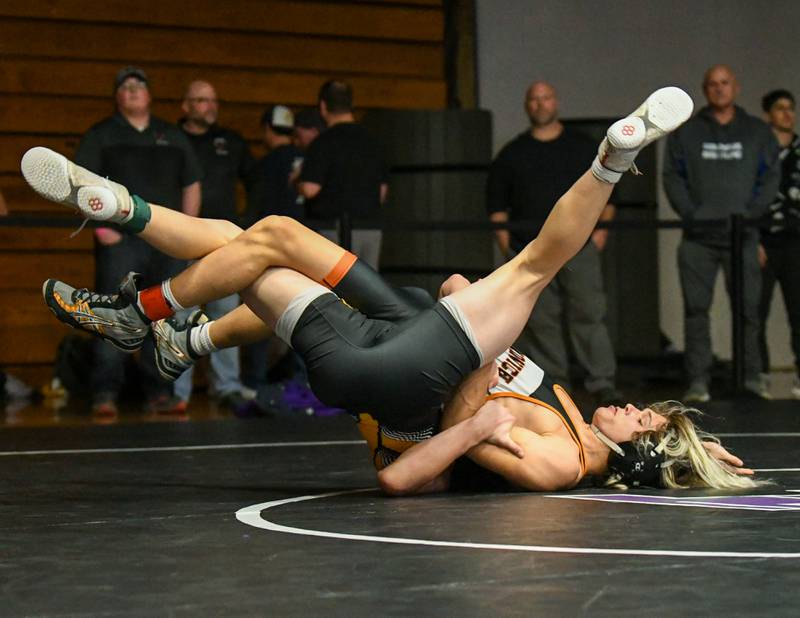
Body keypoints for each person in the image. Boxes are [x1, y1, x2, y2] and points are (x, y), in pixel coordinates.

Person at [24, 86, 754, 492]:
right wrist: (695, 449)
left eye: (645, 421)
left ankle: (611, 159)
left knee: (534, 265)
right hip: (405, 337)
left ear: (640, 456)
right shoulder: (569, 415)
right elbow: (492, 378)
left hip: (400, 373)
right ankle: (145, 264)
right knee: (264, 241)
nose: (632, 406)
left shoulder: (568, 461)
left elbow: (408, 480)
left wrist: (475, 390)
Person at [74, 66, 203, 416]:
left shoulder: (172, 135)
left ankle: (158, 392)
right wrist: (103, 230)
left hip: (167, 241)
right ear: (117, 97)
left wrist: (187, 231)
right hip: (120, 240)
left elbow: (191, 183)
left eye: (138, 86)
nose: (132, 91)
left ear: (149, 96)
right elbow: (80, 184)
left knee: (162, 316)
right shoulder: (101, 135)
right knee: (113, 314)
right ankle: (104, 393)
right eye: (125, 87)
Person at [487, 81, 620, 405]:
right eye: (534, 99)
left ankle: (601, 381)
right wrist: (510, 249)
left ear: (555, 102)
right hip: (530, 248)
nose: (540, 104)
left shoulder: (581, 146)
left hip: (579, 245)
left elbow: (609, 191)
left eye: (545, 98)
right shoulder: (512, 154)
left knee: (588, 312)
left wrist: (599, 234)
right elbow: (496, 208)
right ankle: (556, 385)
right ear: (526, 105)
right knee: (541, 319)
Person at [663, 65, 780, 403]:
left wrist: (751, 216)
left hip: (742, 236)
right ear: (705, 90)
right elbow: (672, 177)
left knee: (749, 311)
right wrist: (693, 215)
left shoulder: (757, 132)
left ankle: (751, 379)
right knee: (696, 311)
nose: (719, 89)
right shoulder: (686, 133)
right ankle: (698, 382)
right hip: (698, 239)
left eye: (724, 83)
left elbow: (771, 177)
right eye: (712, 84)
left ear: (736, 88)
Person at [175, 80, 254, 411]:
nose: (209, 106)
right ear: (186, 106)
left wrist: (247, 227)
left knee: (225, 317)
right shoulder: (171, 139)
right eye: (201, 100)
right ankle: (176, 392)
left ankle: (227, 386)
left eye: (212, 100)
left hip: (224, 243)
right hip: (183, 240)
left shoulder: (231, 142)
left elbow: (256, 181)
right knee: (180, 316)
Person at [298, 80, 388, 269]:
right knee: (368, 290)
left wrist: (296, 179)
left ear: (323, 106)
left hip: (332, 231)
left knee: (333, 289)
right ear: (351, 105)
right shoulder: (373, 140)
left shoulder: (322, 143)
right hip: (369, 228)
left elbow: (310, 189)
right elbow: (381, 192)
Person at [758, 89, 800, 399]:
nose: (787, 114)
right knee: (755, 311)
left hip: (795, 241)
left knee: (797, 311)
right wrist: (754, 239)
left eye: (790, 108)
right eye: (780, 108)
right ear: (768, 115)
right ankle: (759, 376)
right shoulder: (760, 151)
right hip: (762, 240)